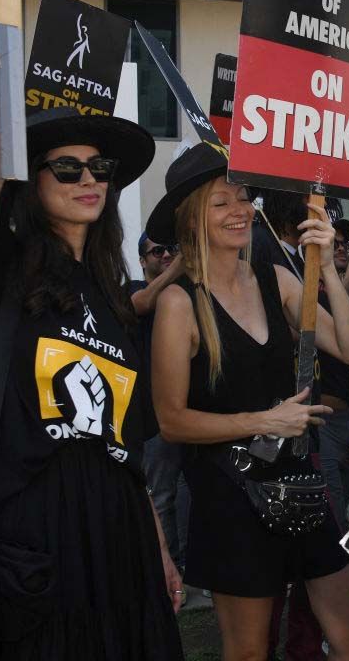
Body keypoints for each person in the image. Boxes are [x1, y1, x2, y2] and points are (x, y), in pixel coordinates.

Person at [0, 0, 183, 657]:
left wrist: (160, 548)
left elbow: (128, 445)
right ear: (37, 181)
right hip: (36, 524)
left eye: (100, 169)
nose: (88, 178)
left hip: (118, 528)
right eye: (67, 168)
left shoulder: (114, 296)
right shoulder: (5, 266)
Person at [148, 144, 349, 661]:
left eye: (243, 197)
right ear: (191, 221)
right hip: (230, 495)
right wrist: (265, 419)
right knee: (250, 651)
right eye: (221, 202)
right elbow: (170, 421)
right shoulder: (179, 302)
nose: (240, 210)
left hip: (299, 482)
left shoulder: (274, 277)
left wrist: (329, 269)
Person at [129, 233, 190, 574]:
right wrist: (179, 266)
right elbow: (141, 303)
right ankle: (169, 574)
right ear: (142, 260)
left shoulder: (184, 293)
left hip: (193, 412)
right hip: (153, 418)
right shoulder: (134, 287)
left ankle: (195, 568)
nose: (167, 253)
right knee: (162, 495)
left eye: (172, 247)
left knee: (193, 492)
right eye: (158, 250)